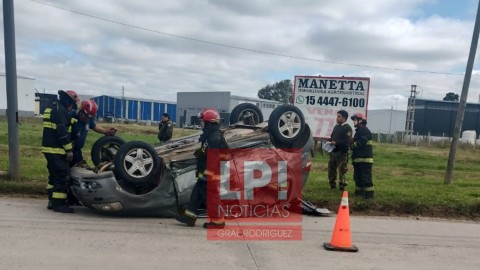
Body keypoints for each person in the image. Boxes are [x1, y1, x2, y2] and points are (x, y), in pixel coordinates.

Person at [175, 108, 228, 228]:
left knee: (211, 198)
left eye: (203, 122)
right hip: (206, 175)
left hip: (211, 176)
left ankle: (218, 222)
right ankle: (189, 218)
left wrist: (208, 176)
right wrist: (201, 152)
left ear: (209, 123)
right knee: (196, 194)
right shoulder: (210, 135)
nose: (201, 124)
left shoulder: (214, 137)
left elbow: (215, 159)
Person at [42, 90, 78, 213]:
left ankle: (51, 200)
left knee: (53, 176)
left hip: (48, 149)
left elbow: (57, 125)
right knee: (63, 175)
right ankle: (59, 204)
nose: (71, 107)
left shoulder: (53, 106)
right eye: (72, 104)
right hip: (55, 150)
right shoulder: (60, 110)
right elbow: (62, 132)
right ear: (68, 101)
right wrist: (69, 150)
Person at [69, 99, 117, 167]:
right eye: (86, 116)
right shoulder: (70, 116)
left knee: (79, 170)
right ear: (81, 111)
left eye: (90, 116)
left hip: (77, 151)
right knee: (65, 172)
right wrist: (68, 151)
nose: (87, 118)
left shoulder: (88, 118)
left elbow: (94, 126)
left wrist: (106, 131)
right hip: (67, 151)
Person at [350, 113, 374, 199]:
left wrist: (352, 145)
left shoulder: (365, 130)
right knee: (357, 177)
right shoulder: (359, 131)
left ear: (361, 121)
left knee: (365, 177)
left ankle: (369, 196)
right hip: (358, 160)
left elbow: (362, 142)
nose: (354, 122)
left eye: (355, 120)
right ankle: (359, 193)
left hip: (365, 160)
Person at [327, 110, 352, 190]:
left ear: (344, 118)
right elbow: (332, 137)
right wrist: (330, 142)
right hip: (333, 152)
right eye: (337, 116)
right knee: (331, 170)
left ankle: (342, 186)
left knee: (342, 170)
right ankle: (332, 185)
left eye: (339, 116)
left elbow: (348, 141)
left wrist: (336, 142)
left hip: (342, 153)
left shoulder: (347, 128)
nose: (337, 118)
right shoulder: (336, 127)